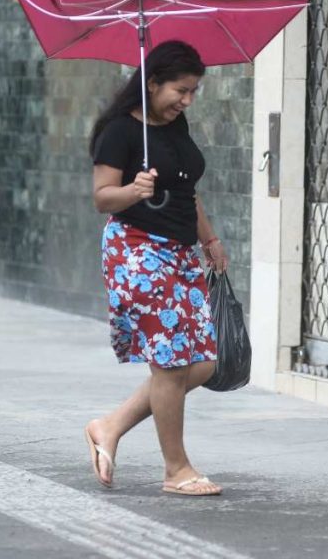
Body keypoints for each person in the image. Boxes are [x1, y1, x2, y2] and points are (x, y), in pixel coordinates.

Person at [82, 40, 230, 497]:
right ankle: (176, 469)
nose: (187, 101)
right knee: (171, 363)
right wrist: (134, 190)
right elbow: (102, 197)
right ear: (152, 83)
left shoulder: (174, 123)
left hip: (181, 251)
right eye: (180, 91)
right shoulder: (119, 132)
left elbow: (188, 190)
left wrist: (208, 237)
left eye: (193, 92)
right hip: (138, 251)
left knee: (202, 363)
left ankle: (109, 426)